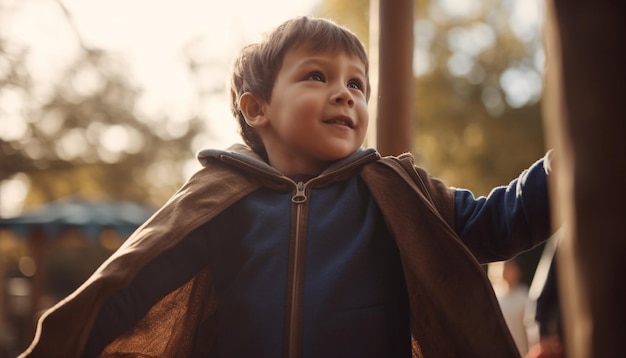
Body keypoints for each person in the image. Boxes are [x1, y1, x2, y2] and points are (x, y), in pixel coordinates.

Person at [19, 16, 554, 358]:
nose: (345, 94)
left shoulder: (395, 191)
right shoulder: (221, 197)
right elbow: (127, 288)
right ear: (258, 109)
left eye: (357, 83)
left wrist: (567, 165)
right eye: (317, 76)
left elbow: (497, 221)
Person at [489, 258, 531, 356]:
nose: (505, 270)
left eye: (509, 266)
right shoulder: (492, 296)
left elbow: (530, 327)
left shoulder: (524, 296)